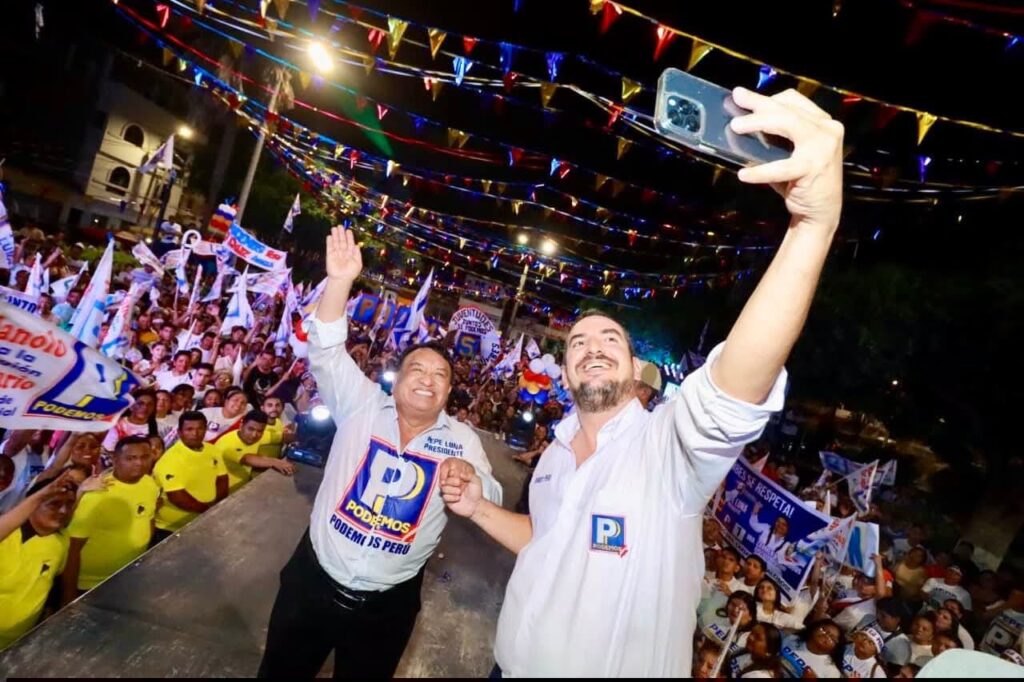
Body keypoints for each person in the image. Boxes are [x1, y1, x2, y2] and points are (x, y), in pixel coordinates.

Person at [441, 85, 844, 677]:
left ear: (636, 371)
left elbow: (732, 387)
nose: (592, 347)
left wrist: (811, 227)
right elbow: (545, 540)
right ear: (566, 371)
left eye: (611, 340)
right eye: (578, 342)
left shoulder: (668, 450)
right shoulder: (553, 456)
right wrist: (477, 506)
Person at [258, 227, 502, 679]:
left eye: (440, 375)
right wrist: (340, 282)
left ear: (450, 390)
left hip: (389, 606)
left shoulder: (464, 440)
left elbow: (493, 495)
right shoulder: (362, 403)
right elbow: (325, 351)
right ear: (397, 376)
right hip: (312, 582)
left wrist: (472, 478)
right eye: (418, 369)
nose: (428, 379)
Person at [60, 437, 159, 605]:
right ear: (115, 459)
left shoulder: (149, 483)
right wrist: (69, 598)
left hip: (129, 576)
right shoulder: (97, 494)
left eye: (145, 457)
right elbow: (72, 549)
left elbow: (149, 518)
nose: (139, 463)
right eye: (131, 458)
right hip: (90, 586)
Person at [0, 473, 77, 650]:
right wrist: (42, 493)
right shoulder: (7, 535)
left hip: (20, 644)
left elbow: (51, 585)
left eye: (69, 504)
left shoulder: (62, 540)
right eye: (54, 504)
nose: (63, 511)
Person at [152, 411, 228, 544]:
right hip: (171, 529)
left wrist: (217, 506)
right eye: (189, 429)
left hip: (204, 521)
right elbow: (177, 497)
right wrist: (208, 511)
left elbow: (222, 478)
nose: (195, 433)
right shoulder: (170, 460)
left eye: (200, 428)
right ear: (180, 432)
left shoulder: (213, 450)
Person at [214, 410, 295, 493]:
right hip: (225, 493)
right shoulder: (226, 443)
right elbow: (247, 458)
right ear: (241, 425)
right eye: (250, 429)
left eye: (260, 431)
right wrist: (275, 462)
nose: (254, 435)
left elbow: (283, 437)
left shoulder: (261, 436)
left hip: (246, 486)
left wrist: (301, 437)